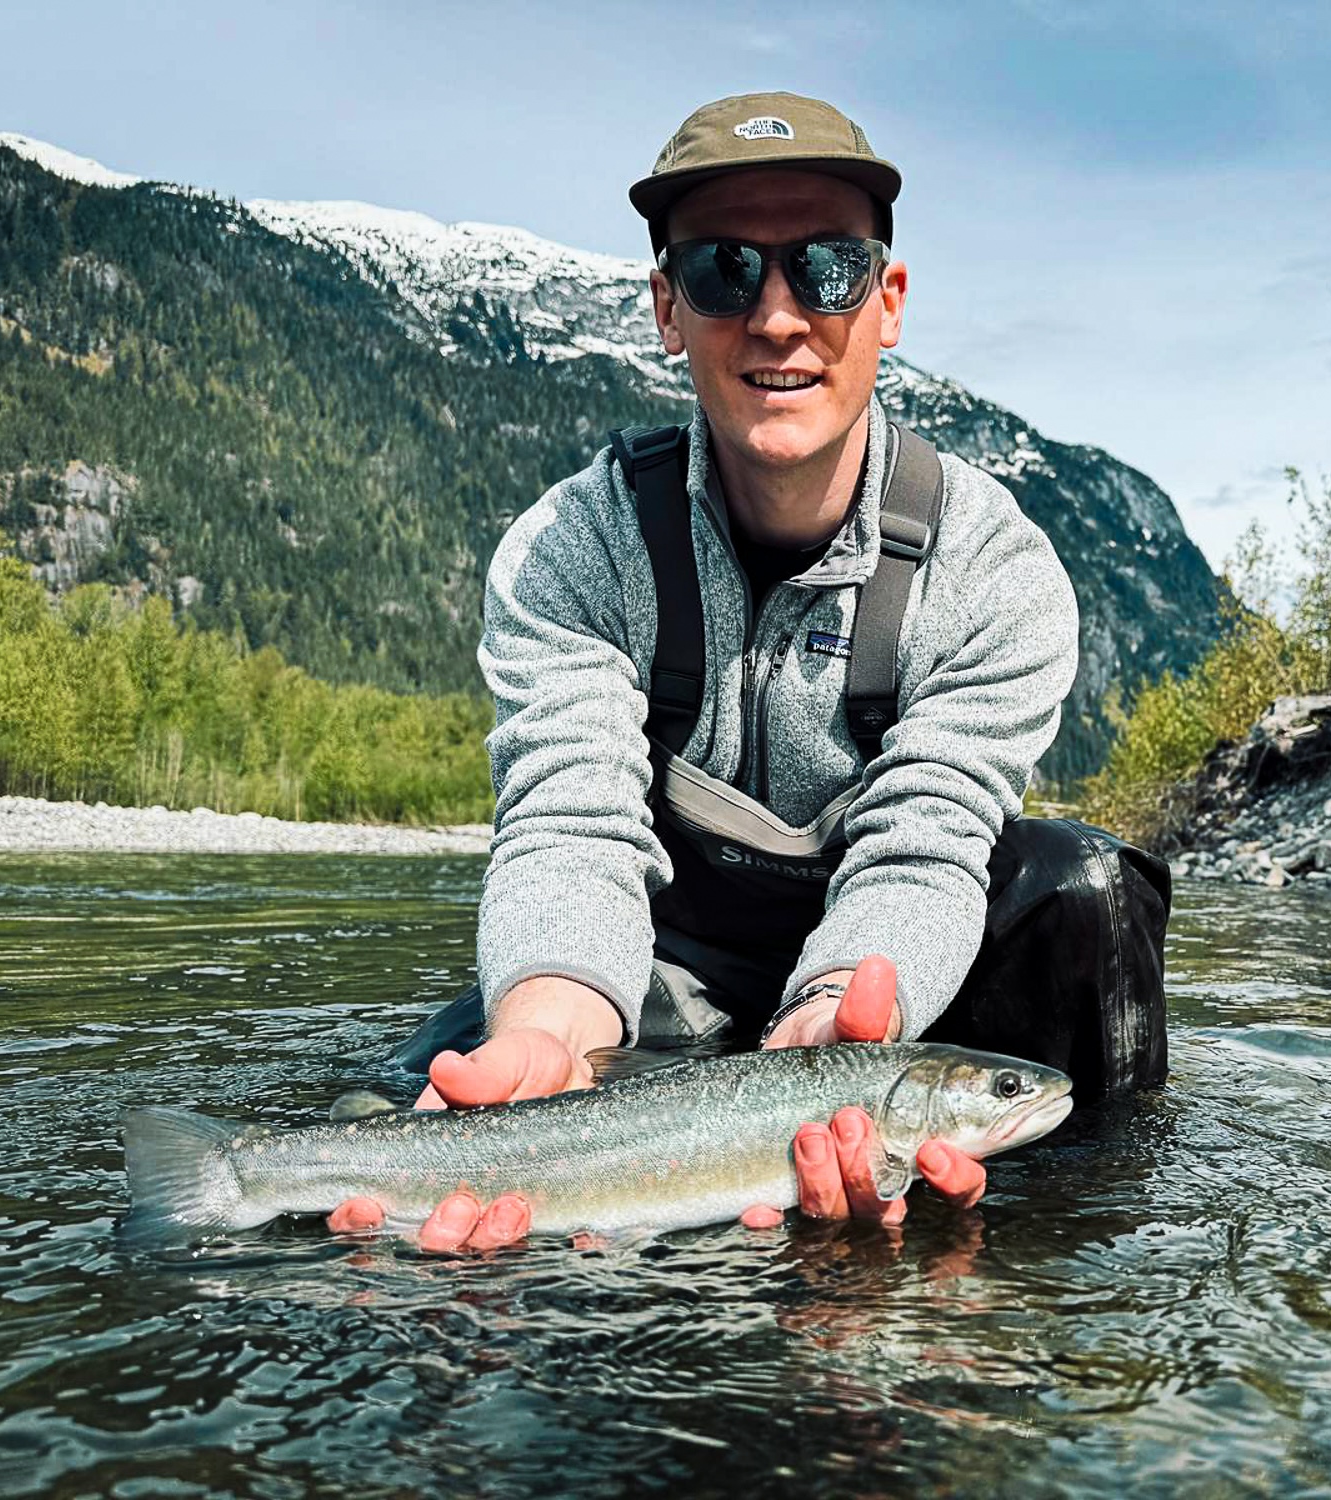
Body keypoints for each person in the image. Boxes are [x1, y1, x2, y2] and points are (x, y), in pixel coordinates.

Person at [331, 92, 1169, 1253]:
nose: (777, 316)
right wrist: (552, 1028)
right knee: (403, 1133)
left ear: (887, 303)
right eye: (726, 270)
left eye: (826, 267)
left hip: (885, 991)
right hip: (658, 974)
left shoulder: (996, 571)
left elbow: (927, 841)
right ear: (668, 310)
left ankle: (1069, 1236)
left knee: (1084, 883)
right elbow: (567, 830)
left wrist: (837, 1024)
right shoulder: (571, 550)